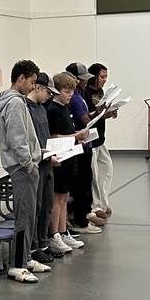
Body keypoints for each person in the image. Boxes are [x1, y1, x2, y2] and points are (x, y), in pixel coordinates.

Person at [0, 60, 45, 283]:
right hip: (23, 167)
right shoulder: (14, 103)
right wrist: (28, 162)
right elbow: (17, 138)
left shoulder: (20, 101)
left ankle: (26, 257)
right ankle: (17, 265)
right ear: (21, 78)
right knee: (23, 215)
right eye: (32, 82)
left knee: (31, 213)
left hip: (28, 164)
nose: (34, 87)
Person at [46, 72, 85, 255]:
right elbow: (54, 137)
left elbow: (68, 133)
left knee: (64, 198)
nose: (70, 95)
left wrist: (78, 138)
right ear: (56, 91)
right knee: (57, 198)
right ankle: (54, 234)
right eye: (66, 91)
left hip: (70, 157)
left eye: (72, 91)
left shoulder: (66, 108)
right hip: (59, 159)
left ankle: (63, 231)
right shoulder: (53, 110)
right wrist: (75, 136)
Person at [65, 62, 103, 233]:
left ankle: (85, 213)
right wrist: (99, 116)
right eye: (82, 79)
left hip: (86, 143)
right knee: (81, 183)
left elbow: (88, 116)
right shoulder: (74, 98)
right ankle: (80, 219)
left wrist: (100, 112)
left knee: (87, 180)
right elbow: (85, 121)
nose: (86, 82)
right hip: (79, 145)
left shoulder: (79, 95)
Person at [26, 72, 59, 264]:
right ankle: (33, 246)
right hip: (37, 163)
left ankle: (43, 241)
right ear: (37, 87)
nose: (49, 96)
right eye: (48, 91)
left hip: (48, 162)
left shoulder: (41, 108)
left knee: (47, 205)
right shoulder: (26, 109)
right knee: (36, 208)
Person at [85, 63, 116, 222]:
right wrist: (101, 113)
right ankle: (95, 206)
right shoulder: (85, 92)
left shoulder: (100, 91)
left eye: (106, 77)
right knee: (94, 174)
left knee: (106, 168)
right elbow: (89, 115)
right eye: (102, 77)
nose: (104, 80)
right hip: (91, 137)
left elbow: (100, 113)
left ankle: (103, 202)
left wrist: (109, 113)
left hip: (100, 137)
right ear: (94, 76)